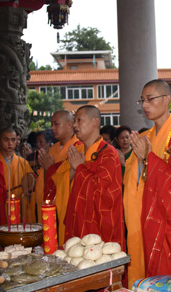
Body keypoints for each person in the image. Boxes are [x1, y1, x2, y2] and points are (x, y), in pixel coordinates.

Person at [124, 79, 171, 286]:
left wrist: (149, 158)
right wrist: (142, 161)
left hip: (169, 225)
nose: (145, 105)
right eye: (142, 101)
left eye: (150, 99)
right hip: (144, 217)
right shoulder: (145, 136)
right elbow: (134, 182)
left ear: (167, 100)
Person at [45, 106, 124, 249]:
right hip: (76, 221)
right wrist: (74, 171)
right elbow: (57, 180)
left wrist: (80, 168)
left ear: (95, 122)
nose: (75, 125)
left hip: (97, 227)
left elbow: (103, 193)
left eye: (79, 120)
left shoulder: (108, 154)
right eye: (74, 121)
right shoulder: (77, 151)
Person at [36, 110, 80, 223]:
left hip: (66, 206)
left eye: (56, 124)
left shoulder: (77, 147)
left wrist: (50, 169)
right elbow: (45, 177)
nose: (52, 128)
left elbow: (73, 179)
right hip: (48, 204)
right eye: (52, 124)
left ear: (69, 124)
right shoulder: (53, 148)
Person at [0, 128, 36, 224]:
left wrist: (30, 190)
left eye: (13, 140)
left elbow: (33, 183)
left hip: (21, 206)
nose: (10, 143)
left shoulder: (23, 162)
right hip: (2, 206)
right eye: (6, 140)